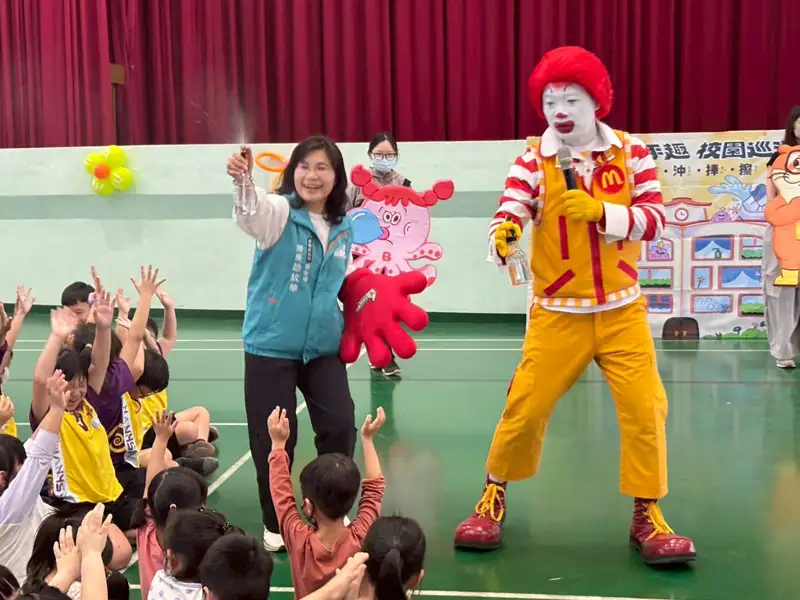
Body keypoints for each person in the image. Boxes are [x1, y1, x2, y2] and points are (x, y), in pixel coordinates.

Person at [452, 46, 695, 566]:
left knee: (646, 408)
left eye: (571, 99)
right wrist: (504, 235)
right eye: (549, 101)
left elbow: (656, 220)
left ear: (596, 101)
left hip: (622, 312)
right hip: (557, 312)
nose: (559, 110)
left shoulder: (633, 153)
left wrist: (604, 213)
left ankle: (647, 512)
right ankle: (493, 495)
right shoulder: (531, 160)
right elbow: (508, 211)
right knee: (525, 406)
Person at [267, 406, 385, 597]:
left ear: (308, 506)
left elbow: (280, 493)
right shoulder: (361, 536)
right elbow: (374, 490)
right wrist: (368, 439)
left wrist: (278, 445)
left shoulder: (298, 539)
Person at [346, 132, 411, 378]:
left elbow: (411, 218)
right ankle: (384, 356)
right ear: (370, 154)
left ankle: (379, 355)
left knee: (390, 304)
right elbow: (344, 215)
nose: (385, 159)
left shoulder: (403, 183)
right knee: (372, 304)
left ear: (397, 155)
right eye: (380, 154)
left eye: (390, 154)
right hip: (364, 256)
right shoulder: (357, 184)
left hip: (392, 255)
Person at [763, 105, 800, 369]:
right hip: (784, 229)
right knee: (782, 290)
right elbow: (770, 196)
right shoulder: (778, 157)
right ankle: (783, 351)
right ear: (792, 127)